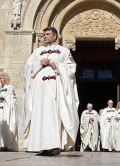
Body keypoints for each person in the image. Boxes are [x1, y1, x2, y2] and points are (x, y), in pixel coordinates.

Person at [23, 27, 79, 156]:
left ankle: (53, 146)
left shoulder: (64, 52)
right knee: (39, 114)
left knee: (53, 115)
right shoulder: (37, 52)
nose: (45, 36)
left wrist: (58, 66)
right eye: (44, 34)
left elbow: (72, 69)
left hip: (55, 88)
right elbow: (27, 68)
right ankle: (40, 146)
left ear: (55, 36)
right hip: (40, 89)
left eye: (47, 34)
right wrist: (39, 63)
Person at [0, 73, 18, 151]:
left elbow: (11, 98)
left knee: (7, 127)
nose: (1, 80)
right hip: (0, 110)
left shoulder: (9, 87)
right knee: (1, 127)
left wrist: (3, 96)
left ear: (6, 79)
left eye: (2, 78)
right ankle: (1, 145)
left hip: (7, 110)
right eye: (0, 78)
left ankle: (8, 145)